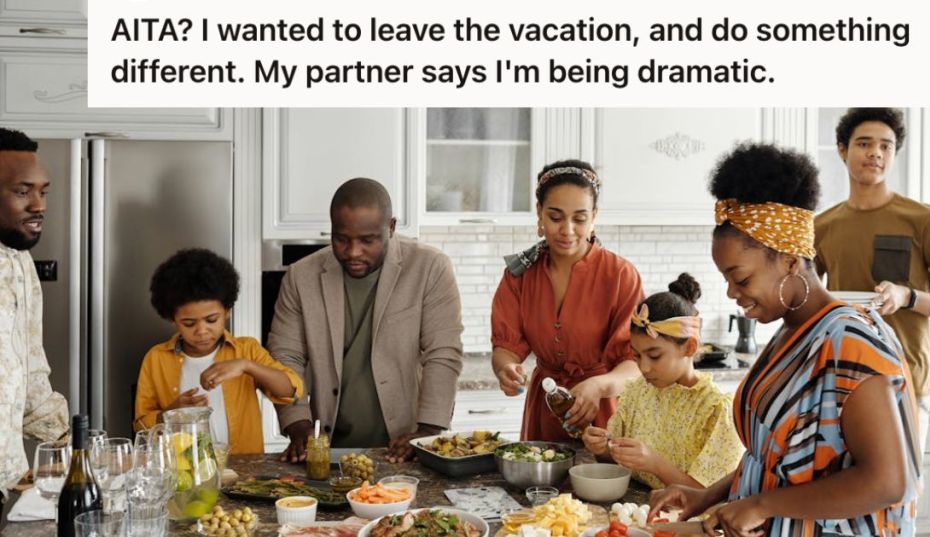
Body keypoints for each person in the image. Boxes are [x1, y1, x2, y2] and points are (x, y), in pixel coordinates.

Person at [650, 143, 920, 536]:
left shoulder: (851, 341)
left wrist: (761, 504)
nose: (731, 293)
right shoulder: (790, 331)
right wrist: (706, 495)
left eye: (740, 279)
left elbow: (888, 481)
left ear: (791, 261)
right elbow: (773, 455)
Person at [270, 178, 463, 463]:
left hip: (406, 446)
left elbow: (443, 353)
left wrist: (429, 431)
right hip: (330, 449)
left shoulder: (430, 268)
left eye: (367, 240)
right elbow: (285, 356)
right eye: (341, 238)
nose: (353, 252)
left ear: (391, 228)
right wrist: (297, 424)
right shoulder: (301, 277)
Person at [815, 108, 930, 446]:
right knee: (843, 496)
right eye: (864, 143)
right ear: (842, 150)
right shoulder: (823, 226)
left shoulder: (923, 219)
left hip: (904, 385)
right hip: (841, 383)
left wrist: (907, 296)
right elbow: (806, 301)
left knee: (901, 495)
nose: (876, 152)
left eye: (886, 146)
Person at [491, 160, 643, 441]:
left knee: (602, 483)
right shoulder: (519, 276)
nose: (567, 230)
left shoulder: (621, 276)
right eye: (556, 217)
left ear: (594, 217)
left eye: (579, 218)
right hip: (544, 410)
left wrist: (599, 386)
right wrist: (506, 369)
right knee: (541, 484)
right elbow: (506, 347)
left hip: (605, 413)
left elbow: (635, 363)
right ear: (539, 213)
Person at [134, 248, 303, 454]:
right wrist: (171, 414)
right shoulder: (156, 359)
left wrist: (247, 366)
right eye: (189, 323)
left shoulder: (246, 350)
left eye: (211, 320)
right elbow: (141, 426)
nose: (202, 331)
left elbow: (291, 390)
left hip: (243, 470)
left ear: (227, 311)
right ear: (172, 319)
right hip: (181, 471)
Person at [582, 273, 743, 490]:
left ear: (689, 347)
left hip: (685, 521)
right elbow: (617, 463)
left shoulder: (716, 410)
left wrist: (655, 464)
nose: (644, 368)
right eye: (637, 356)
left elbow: (708, 496)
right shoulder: (637, 391)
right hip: (637, 512)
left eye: (655, 356)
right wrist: (602, 450)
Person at [0, 128, 69, 522]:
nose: (39, 205)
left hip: (7, 485)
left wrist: (74, 445)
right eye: (22, 192)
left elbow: (29, 376)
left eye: (44, 191)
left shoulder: (19, 263)